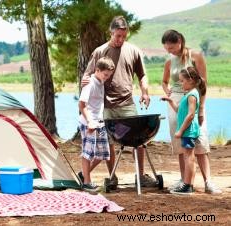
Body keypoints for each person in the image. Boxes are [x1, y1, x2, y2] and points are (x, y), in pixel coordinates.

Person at [80, 16, 157, 188]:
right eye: (117, 36)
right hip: (105, 106)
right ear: (111, 32)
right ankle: (112, 177)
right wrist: (85, 80)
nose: (121, 40)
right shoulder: (100, 51)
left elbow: (142, 75)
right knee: (109, 144)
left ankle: (141, 176)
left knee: (139, 139)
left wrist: (145, 92)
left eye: (124, 36)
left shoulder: (134, 51)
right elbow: (88, 74)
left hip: (127, 103)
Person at [161, 29, 221, 194]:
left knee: (200, 139)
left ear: (180, 40)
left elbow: (203, 83)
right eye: (167, 49)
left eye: (172, 48)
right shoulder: (169, 62)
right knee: (182, 143)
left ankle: (208, 181)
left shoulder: (195, 56)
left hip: (194, 100)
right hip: (176, 102)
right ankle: (185, 181)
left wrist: (201, 109)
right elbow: (164, 82)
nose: (170, 52)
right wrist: (168, 91)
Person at [161, 67, 205, 194]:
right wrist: (169, 100)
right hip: (187, 131)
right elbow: (179, 110)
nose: (180, 83)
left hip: (188, 131)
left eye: (182, 81)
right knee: (188, 157)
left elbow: (191, 115)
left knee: (189, 157)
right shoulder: (188, 94)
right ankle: (187, 184)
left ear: (190, 81)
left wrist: (180, 130)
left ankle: (187, 185)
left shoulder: (192, 95)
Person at [78, 56, 115, 192]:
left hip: (100, 122)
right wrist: (90, 122)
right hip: (89, 123)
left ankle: (83, 174)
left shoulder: (100, 81)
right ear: (97, 70)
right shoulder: (90, 83)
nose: (106, 78)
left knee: (102, 154)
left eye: (108, 76)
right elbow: (82, 105)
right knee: (88, 153)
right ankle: (87, 182)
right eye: (105, 75)